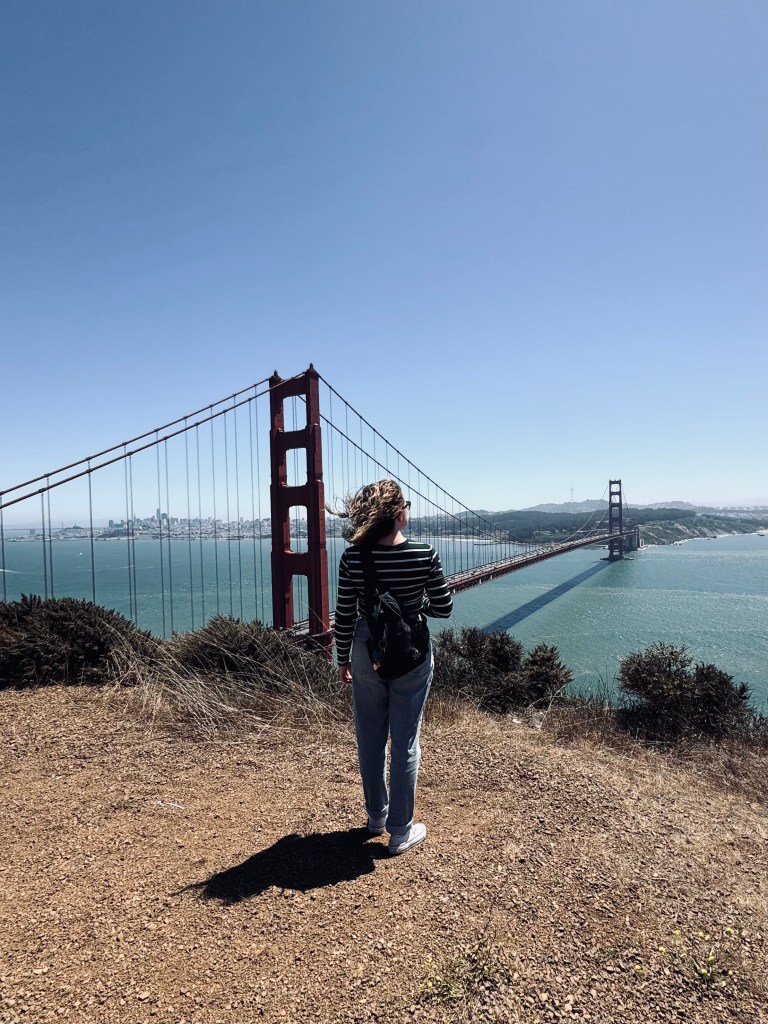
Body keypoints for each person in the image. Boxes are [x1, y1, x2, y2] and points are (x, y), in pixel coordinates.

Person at [332, 479, 453, 855]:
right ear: (400, 514)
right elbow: (444, 608)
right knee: (405, 742)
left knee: (370, 739)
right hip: (411, 652)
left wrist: (341, 658)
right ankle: (400, 832)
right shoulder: (425, 553)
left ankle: (376, 817)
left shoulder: (352, 557)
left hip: (364, 651)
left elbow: (345, 614)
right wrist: (410, 609)